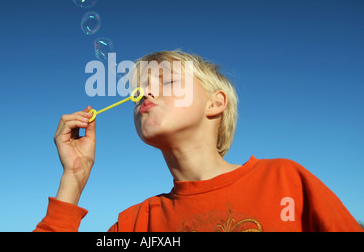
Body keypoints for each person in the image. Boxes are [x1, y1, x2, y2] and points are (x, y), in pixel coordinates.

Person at [34, 50, 363, 232]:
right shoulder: (137, 223)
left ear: (215, 103)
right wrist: (73, 180)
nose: (145, 92)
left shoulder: (285, 182)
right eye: (140, 90)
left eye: (169, 81)